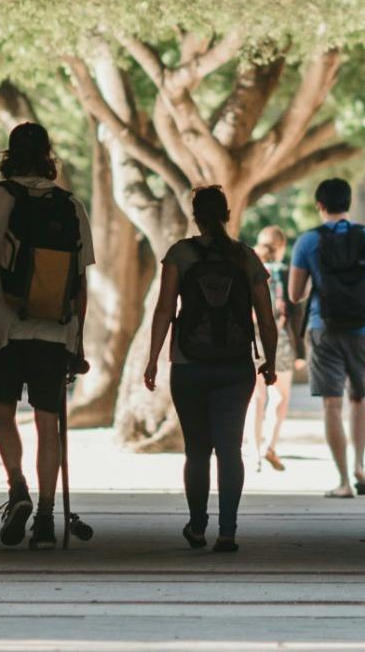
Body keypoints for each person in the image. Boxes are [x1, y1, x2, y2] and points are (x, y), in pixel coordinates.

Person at [0, 121, 94, 549]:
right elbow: (80, 283)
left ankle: (17, 487)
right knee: (49, 422)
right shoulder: (71, 205)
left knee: (3, 413)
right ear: (47, 157)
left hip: (5, 329)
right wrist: (77, 342)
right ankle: (44, 514)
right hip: (56, 332)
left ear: (8, 156)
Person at [143, 186, 279, 552]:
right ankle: (229, 531)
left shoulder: (180, 254)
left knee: (197, 450)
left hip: (189, 365)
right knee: (230, 450)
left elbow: (164, 310)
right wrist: (270, 359)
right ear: (227, 214)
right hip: (236, 367)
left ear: (195, 216)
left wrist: (154, 358)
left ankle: (198, 526)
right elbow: (266, 318)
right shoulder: (247, 257)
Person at [289, 176, 365, 498]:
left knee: (331, 404)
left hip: (324, 327)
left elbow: (295, 294)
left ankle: (341, 481)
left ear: (319, 205)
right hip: (363, 329)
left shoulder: (308, 242)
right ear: (348, 203)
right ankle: (360, 465)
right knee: (359, 398)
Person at [250, 224, 294, 471]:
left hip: (252, 340)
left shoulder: (248, 268)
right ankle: (271, 446)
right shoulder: (283, 272)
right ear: (281, 247)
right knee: (282, 396)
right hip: (279, 340)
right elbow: (293, 308)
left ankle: (254, 453)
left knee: (256, 399)